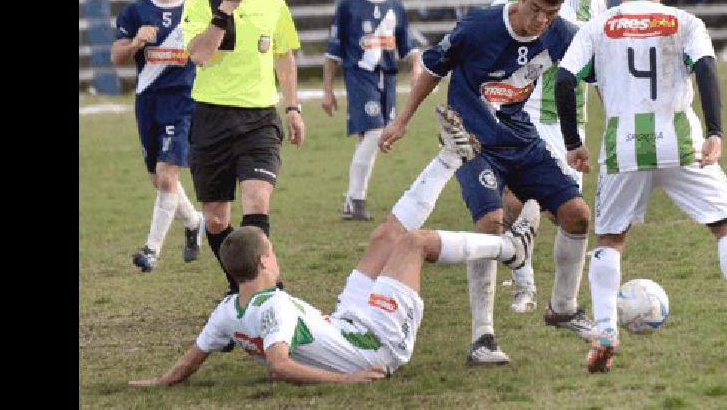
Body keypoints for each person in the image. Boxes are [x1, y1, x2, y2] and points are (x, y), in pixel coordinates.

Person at [127, 107, 542, 387]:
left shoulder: (227, 310)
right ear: (266, 260)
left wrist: (160, 382)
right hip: (378, 346)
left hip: (347, 322)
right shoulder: (272, 308)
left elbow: (191, 360)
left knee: (384, 236)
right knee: (413, 244)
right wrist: (350, 380)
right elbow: (279, 364)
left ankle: (451, 157)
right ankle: (510, 249)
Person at [555, 0, 727, 372]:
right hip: (679, 139)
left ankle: (604, 329)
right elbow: (707, 69)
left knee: (611, 239)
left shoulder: (598, 27)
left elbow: (565, 80)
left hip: (623, 144)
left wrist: (573, 142)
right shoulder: (684, 22)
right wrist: (715, 132)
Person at [379, 0, 594, 367]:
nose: (540, 21)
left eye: (550, 14)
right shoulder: (479, 28)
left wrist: (574, 141)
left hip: (522, 139)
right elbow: (430, 66)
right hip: (476, 144)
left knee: (578, 216)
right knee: (490, 223)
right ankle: (483, 337)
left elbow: (582, 76)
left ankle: (563, 308)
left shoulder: (560, 33)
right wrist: (402, 120)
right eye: (535, 10)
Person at [180, 0, 306, 298]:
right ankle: (242, 286)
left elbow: (284, 56)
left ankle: (270, 291)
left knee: (256, 202)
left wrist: (293, 107)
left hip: (260, 120)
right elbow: (201, 55)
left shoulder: (273, 2)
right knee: (216, 219)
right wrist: (226, 10)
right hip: (212, 119)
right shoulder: (199, 3)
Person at [490, 0, 607, 315]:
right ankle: (524, 286)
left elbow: (603, 61)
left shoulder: (590, 0)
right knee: (513, 202)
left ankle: (565, 297)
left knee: (564, 214)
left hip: (566, 122)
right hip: (517, 117)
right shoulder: (504, 4)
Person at [111, 0, 205, 272]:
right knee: (158, 178)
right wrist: (136, 42)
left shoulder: (195, 9)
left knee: (168, 176)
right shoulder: (136, 11)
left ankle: (151, 251)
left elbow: (211, 49)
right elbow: (116, 56)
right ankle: (194, 223)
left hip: (182, 101)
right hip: (147, 100)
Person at [323, 0, 421, 221]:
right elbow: (332, 54)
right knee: (376, 132)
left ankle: (350, 201)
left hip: (387, 79)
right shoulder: (348, 6)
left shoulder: (396, 7)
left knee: (369, 138)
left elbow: (408, 46)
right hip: (360, 76)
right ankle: (357, 199)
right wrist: (327, 90)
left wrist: (416, 66)